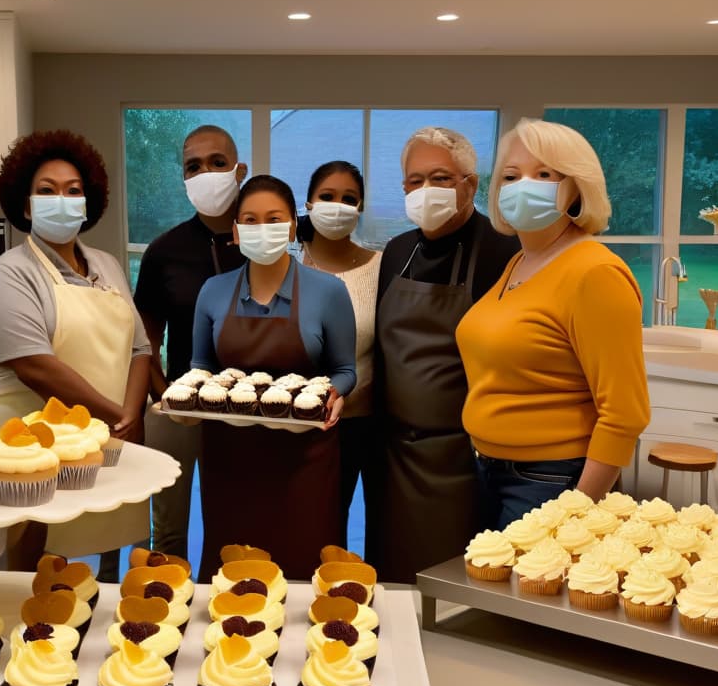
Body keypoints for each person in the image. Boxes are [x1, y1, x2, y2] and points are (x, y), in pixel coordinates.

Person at [457, 118, 650, 528]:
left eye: (544, 174)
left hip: (552, 480)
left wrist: (576, 512)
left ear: (576, 188)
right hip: (492, 469)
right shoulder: (520, 262)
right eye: (512, 175)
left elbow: (625, 414)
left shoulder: (594, 272)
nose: (525, 184)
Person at [0, 129, 151, 577]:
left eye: (73, 191)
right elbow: (34, 365)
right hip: (29, 444)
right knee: (34, 564)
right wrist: (116, 415)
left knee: (112, 544)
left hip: (106, 437)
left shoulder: (107, 265)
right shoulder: (9, 273)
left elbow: (140, 347)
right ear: (24, 204)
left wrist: (129, 417)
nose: (63, 200)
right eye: (47, 191)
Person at [190, 174, 356, 581]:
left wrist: (340, 393)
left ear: (293, 226)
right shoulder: (212, 291)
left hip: (305, 460)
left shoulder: (328, 291)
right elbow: (201, 366)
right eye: (250, 219)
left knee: (303, 569)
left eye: (273, 218)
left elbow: (344, 370)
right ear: (235, 230)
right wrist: (186, 401)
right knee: (234, 573)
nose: (262, 229)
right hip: (229, 457)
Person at [371, 127, 519, 583]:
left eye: (440, 178)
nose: (425, 191)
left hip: (463, 456)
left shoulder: (503, 250)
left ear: (470, 185)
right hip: (393, 454)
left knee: (454, 583)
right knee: (393, 577)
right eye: (415, 182)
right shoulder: (397, 252)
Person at [134, 125, 247, 561]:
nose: (205, 173)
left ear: (240, 170)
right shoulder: (165, 251)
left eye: (217, 163)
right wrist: (164, 395)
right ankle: (167, 613)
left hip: (245, 410)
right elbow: (146, 337)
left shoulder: (260, 243)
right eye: (193, 167)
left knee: (235, 525)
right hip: (178, 408)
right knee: (168, 530)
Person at [296, 161, 379, 546]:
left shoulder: (381, 267)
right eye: (327, 197)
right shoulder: (288, 265)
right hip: (301, 424)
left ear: (360, 207)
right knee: (316, 528)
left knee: (379, 529)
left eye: (349, 199)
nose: (337, 206)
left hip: (369, 425)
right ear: (309, 202)